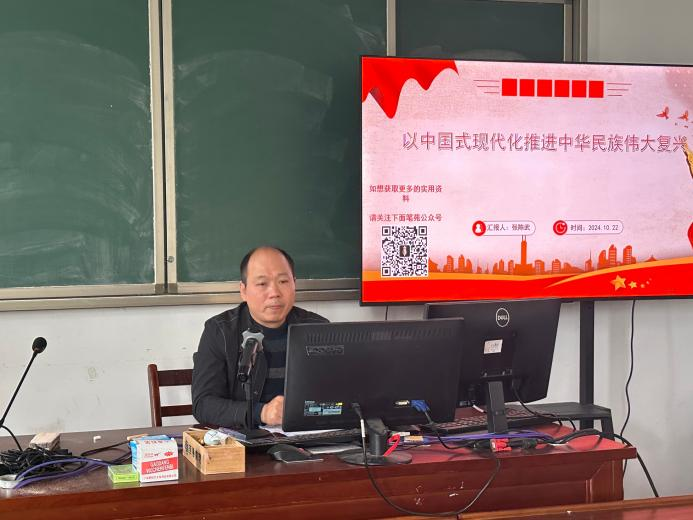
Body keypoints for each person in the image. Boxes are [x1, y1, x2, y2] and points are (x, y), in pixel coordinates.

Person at [191, 246, 328, 428]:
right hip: (247, 439)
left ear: (294, 284)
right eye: (262, 284)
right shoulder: (220, 331)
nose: (274, 293)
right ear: (243, 290)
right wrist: (261, 413)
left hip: (308, 437)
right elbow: (203, 404)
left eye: (283, 281)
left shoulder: (318, 329)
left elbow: (339, 395)